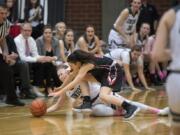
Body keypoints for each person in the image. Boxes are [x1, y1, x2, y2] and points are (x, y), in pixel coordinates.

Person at [48, 50, 141, 120]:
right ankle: (87, 101)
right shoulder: (81, 64)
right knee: (79, 76)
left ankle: (130, 107)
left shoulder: (87, 65)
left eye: (71, 66)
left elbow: (75, 81)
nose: (70, 68)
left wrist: (59, 92)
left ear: (77, 63)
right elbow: (71, 75)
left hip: (113, 70)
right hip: (104, 73)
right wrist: (61, 87)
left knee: (103, 95)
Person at [47, 65, 169, 117]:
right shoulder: (65, 90)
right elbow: (57, 106)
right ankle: (120, 113)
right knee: (94, 112)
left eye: (62, 73)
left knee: (129, 103)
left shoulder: (79, 76)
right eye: (59, 75)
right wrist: (44, 111)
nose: (61, 76)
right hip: (96, 104)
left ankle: (159, 111)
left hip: (105, 95)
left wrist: (70, 69)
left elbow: (77, 68)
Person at [152, 5, 180, 135]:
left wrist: (175, 52)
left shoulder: (171, 15)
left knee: (176, 127)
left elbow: (157, 54)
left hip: (177, 78)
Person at [14, 22, 52, 97]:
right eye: (25, 30)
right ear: (21, 30)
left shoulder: (31, 39)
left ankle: (35, 87)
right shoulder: (17, 40)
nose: (27, 32)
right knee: (26, 63)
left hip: (28, 61)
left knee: (43, 63)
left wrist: (43, 58)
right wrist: (37, 59)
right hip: (18, 62)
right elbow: (22, 57)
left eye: (29, 30)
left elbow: (35, 54)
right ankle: (26, 90)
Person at [36, 25, 61, 94]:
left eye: (49, 33)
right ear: (43, 33)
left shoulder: (56, 41)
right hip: (40, 63)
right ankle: (55, 86)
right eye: (46, 33)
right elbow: (38, 55)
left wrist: (52, 59)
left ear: (52, 33)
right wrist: (49, 59)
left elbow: (58, 55)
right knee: (49, 65)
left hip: (52, 63)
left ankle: (50, 87)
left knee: (50, 65)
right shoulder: (39, 41)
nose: (48, 34)